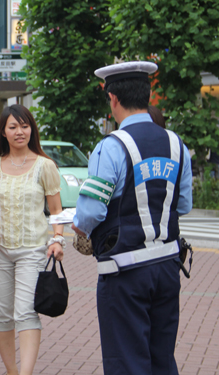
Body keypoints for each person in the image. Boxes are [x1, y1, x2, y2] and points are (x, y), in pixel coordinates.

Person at [72, 61, 193, 375]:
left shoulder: (109, 147)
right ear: (148, 94)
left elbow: (92, 211)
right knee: (162, 359)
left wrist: (79, 227)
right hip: (168, 266)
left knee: (126, 361)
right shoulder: (177, 144)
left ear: (112, 98)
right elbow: (183, 204)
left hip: (124, 272)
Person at [0, 104, 64, 375]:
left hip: (33, 250)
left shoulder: (45, 166)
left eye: (24, 126)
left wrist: (57, 240)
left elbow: (57, 211)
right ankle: (12, 371)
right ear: (3, 132)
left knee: (25, 312)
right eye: (13, 127)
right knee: (1, 315)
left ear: (32, 129)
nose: (19, 131)